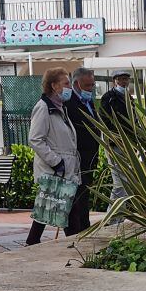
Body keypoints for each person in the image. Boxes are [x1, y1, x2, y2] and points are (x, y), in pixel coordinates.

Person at [26, 67, 81, 245]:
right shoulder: (43, 108)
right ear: (54, 85)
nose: (69, 88)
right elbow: (35, 139)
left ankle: (35, 243)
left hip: (65, 171)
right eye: (65, 84)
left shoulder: (59, 109)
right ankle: (71, 246)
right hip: (56, 171)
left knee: (57, 212)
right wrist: (56, 162)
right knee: (52, 213)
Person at [64, 67, 99, 235]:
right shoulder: (69, 102)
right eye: (87, 85)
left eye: (92, 85)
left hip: (90, 157)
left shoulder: (88, 101)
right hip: (78, 157)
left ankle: (85, 226)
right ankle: (77, 230)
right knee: (76, 196)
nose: (91, 89)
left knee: (85, 195)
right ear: (77, 84)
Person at [100, 69, 133, 203]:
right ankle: (113, 217)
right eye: (121, 79)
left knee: (124, 180)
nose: (123, 82)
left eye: (126, 79)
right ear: (115, 81)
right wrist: (115, 137)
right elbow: (104, 120)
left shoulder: (129, 98)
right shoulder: (108, 98)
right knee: (120, 181)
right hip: (115, 144)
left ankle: (117, 216)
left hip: (127, 144)